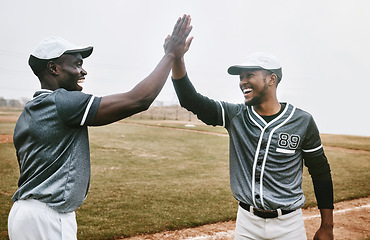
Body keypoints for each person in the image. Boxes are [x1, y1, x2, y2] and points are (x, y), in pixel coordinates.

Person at [8, 15, 193, 240]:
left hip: (26, 214)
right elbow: (139, 99)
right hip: (47, 218)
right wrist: (171, 54)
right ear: (53, 68)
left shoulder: (30, 110)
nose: (83, 71)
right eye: (77, 64)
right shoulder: (62, 102)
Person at [171, 49, 334, 239]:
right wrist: (177, 59)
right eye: (240, 77)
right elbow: (190, 100)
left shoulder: (302, 121)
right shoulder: (236, 115)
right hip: (247, 224)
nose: (242, 82)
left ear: (271, 79)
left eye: (250, 75)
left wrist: (327, 226)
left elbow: (320, 171)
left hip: (289, 226)